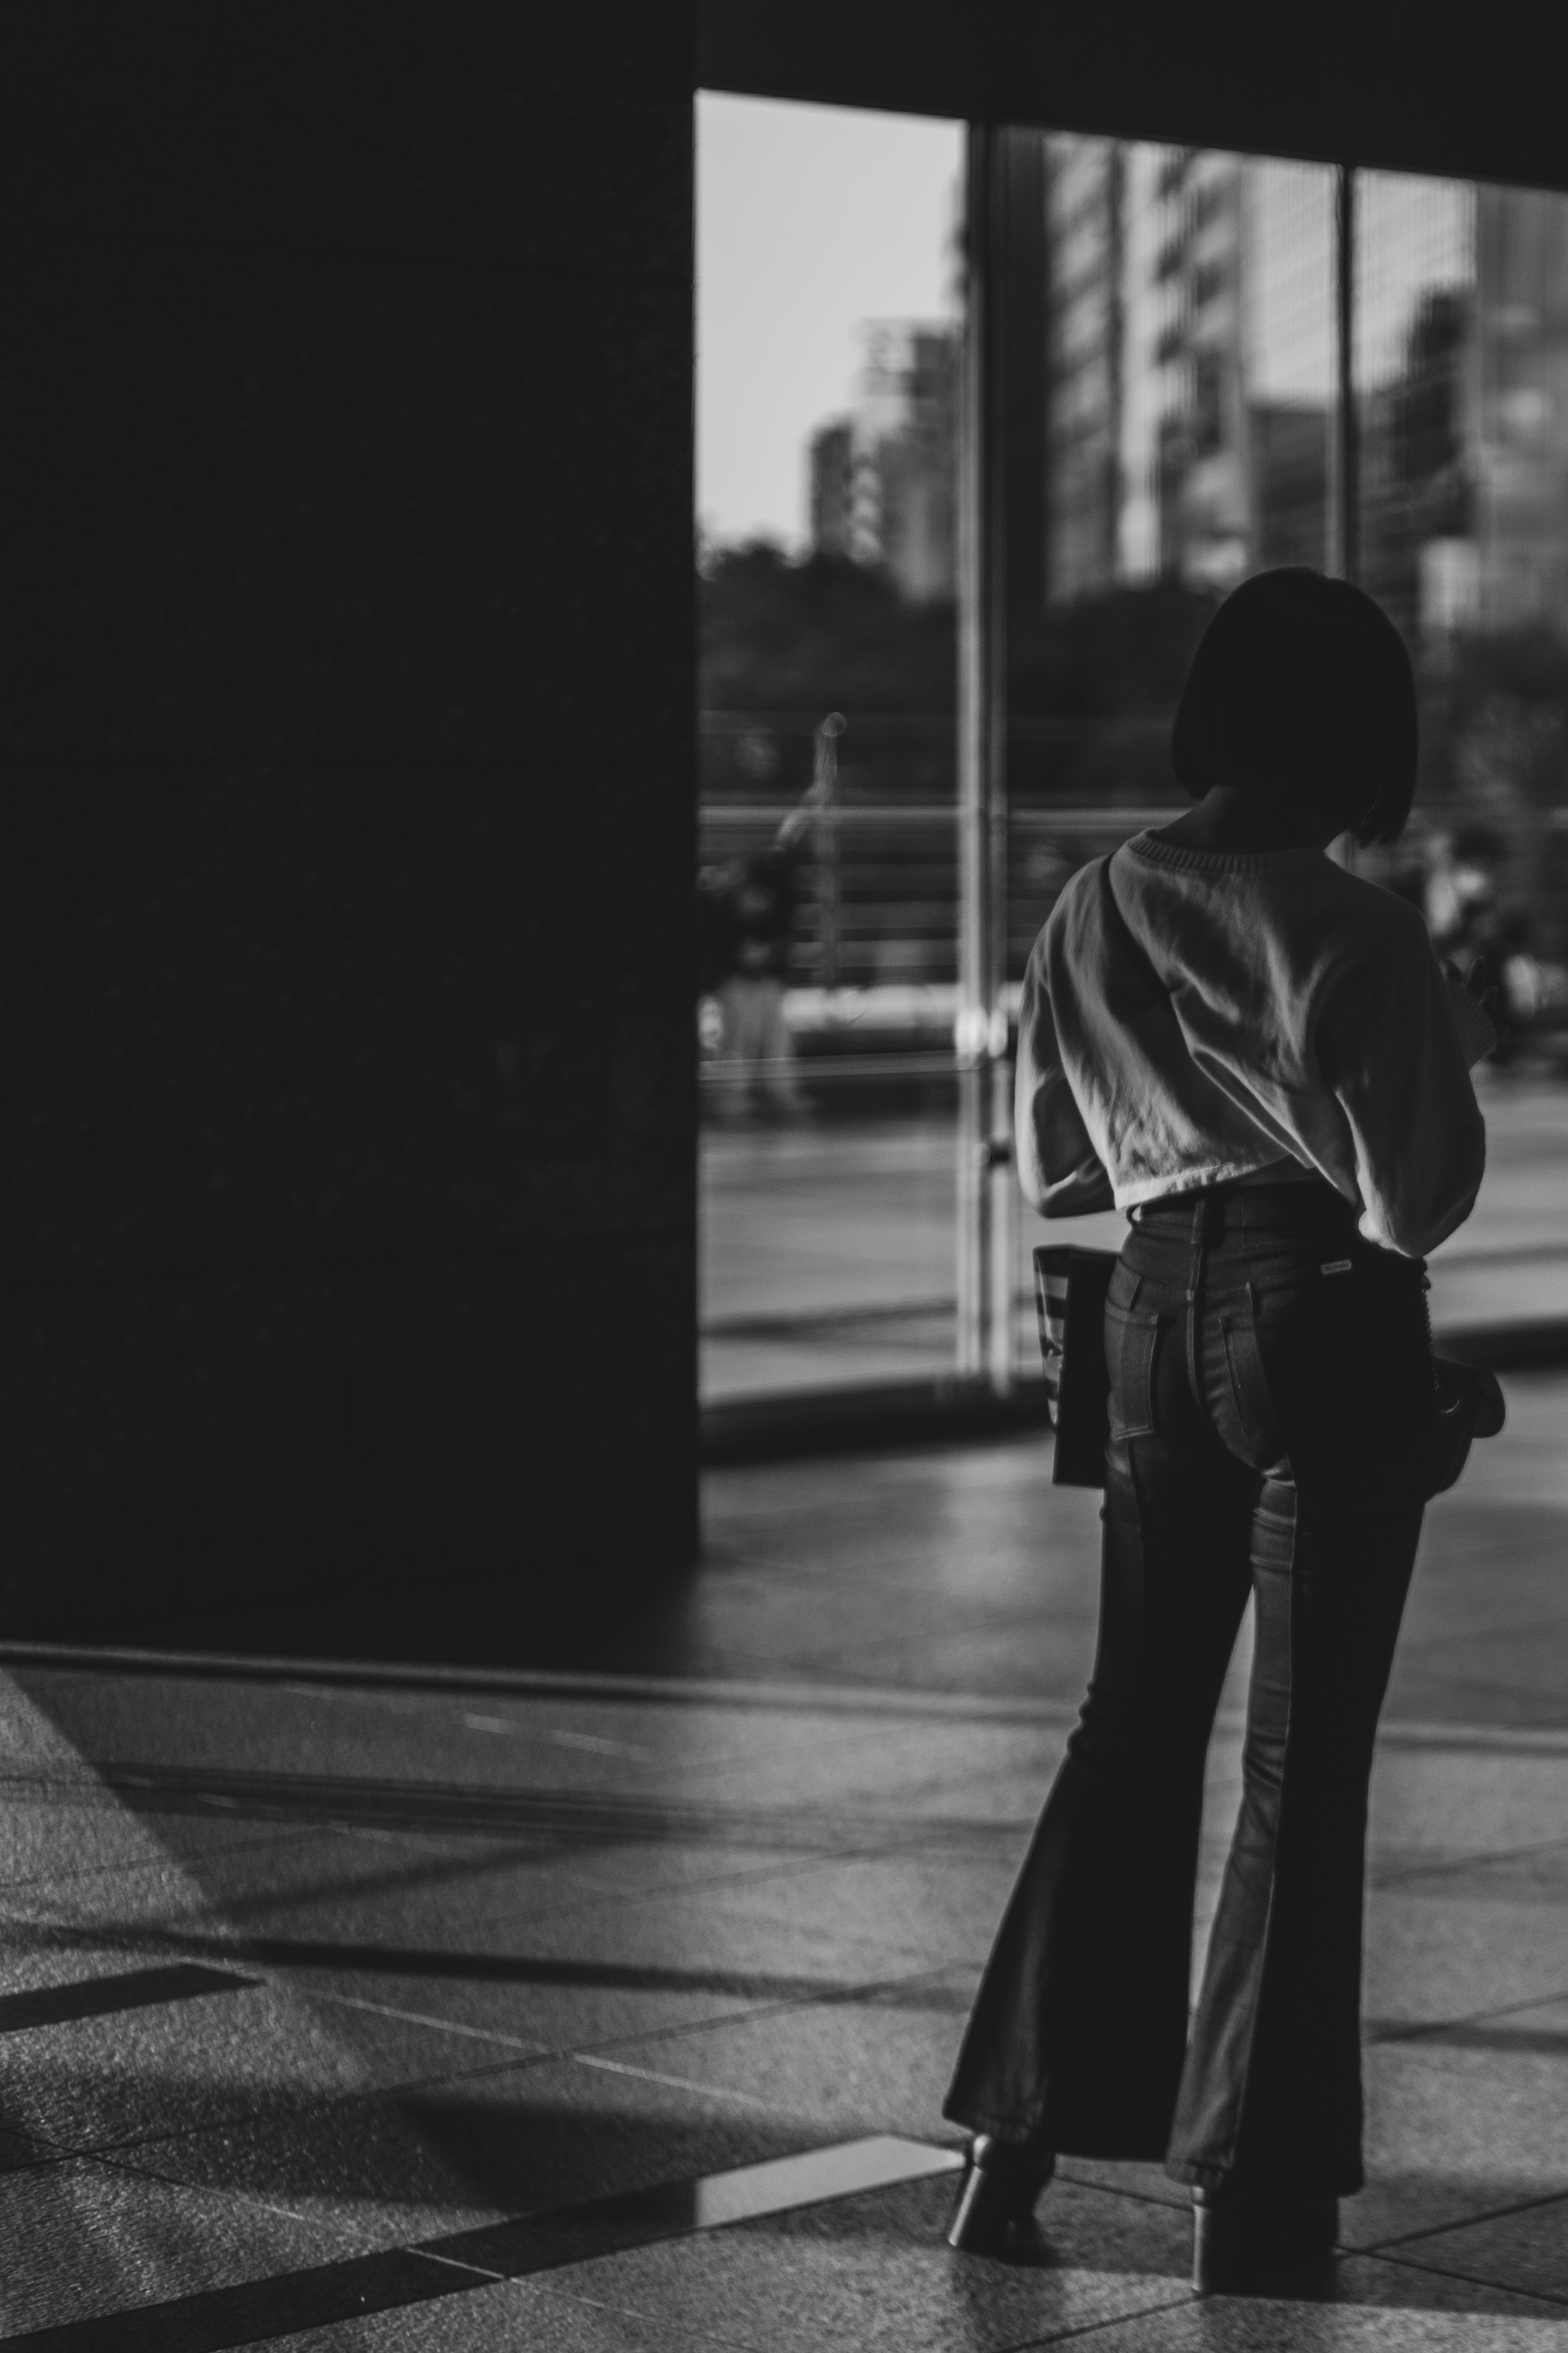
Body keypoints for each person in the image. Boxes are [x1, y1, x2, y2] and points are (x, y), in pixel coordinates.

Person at [943, 569, 1495, 2292]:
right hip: (1319, 1308)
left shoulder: (1094, 900)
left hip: (1144, 1310)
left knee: (1129, 1724)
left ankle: (1011, 2137)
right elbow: (1417, 1206)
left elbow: (1063, 1164)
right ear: (1353, 743)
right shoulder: (1358, 931)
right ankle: (1251, 2195)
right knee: (1297, 1762)